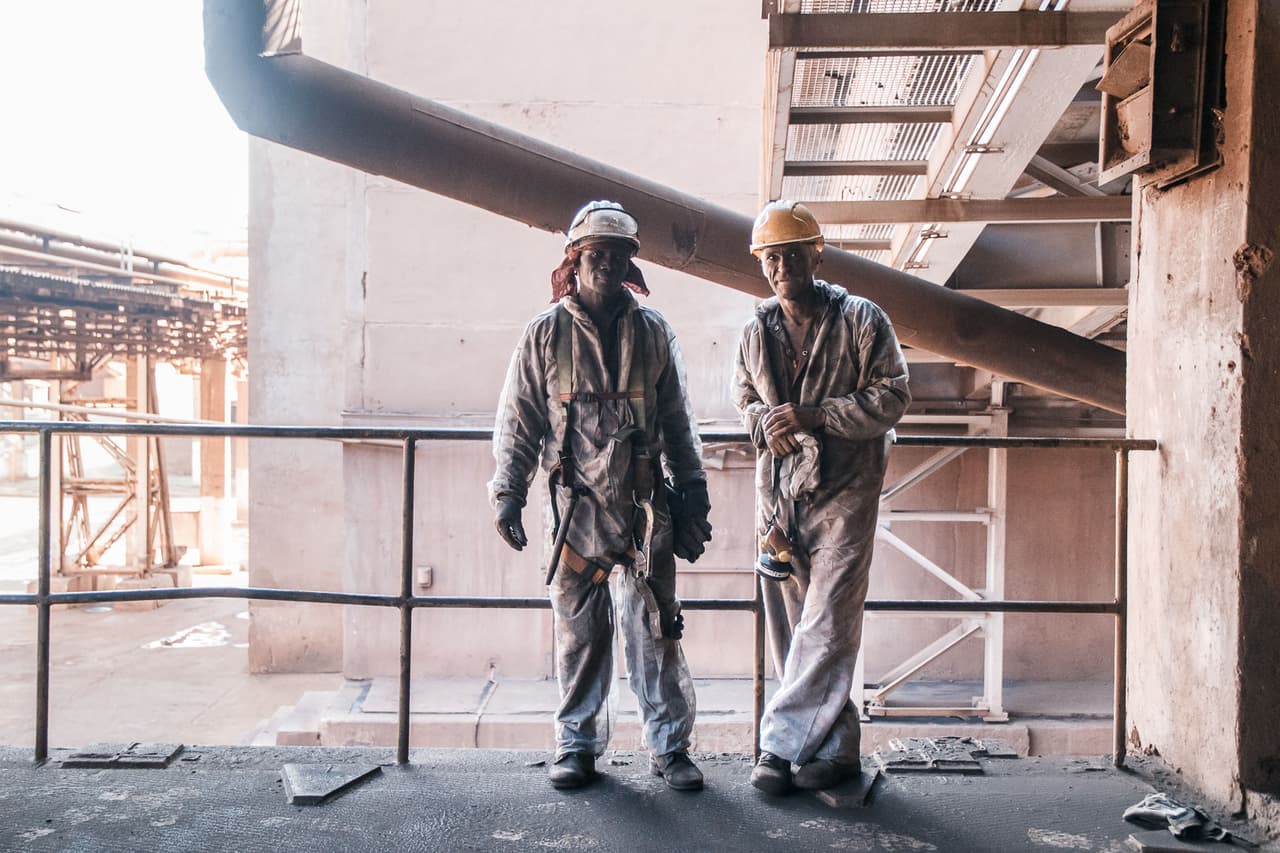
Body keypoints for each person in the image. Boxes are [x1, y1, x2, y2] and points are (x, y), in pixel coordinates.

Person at [489, 200, 713, 791]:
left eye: (617, 255)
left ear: (629, 263)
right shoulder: (545, 335)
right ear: (576, 260)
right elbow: (520, 419)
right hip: (576, 513)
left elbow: (679, 420)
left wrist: (693, 491)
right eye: (596, 255)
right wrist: (507, 492)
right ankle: (578, 746)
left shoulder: (652, 332)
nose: (607, 265)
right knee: (579, 633)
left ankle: (670, 747)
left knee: (656, 630)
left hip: (643, 511)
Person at [732, 200, 910, 795]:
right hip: (779, 496)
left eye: (790, 254)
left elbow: (892, 397)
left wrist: (816, 416)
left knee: (829, 621)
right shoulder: (756, 330)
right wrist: (765, 422)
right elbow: (744, 401)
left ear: (816, 254)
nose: (781, 266)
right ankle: (837, 752)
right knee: (794, 625)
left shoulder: (862, 318)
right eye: (771, 257)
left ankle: (777, 750)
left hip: (845, 491)